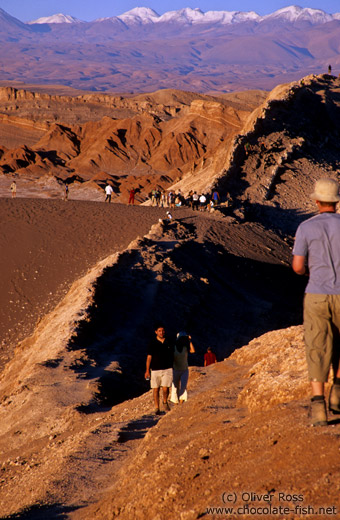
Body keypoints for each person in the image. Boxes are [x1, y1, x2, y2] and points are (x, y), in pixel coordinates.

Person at [292, 178, 340, 426]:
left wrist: (311, 271)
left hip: (317, 294)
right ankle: (339, 394)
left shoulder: (306, 227)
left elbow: (298, 267)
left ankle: (319, 406)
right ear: (336, 201)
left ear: (317, 201)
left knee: (318, 345)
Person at [145, 325, 174, 415]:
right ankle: (157, 408)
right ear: (156, 332)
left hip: (168, 368)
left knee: (165, 388)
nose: (161, 332)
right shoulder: (152, 343)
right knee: (156, 389)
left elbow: (174, 354)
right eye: (159, 331)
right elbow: (149, 357)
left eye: (162, 331)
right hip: (155, 369)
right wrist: (147, 371)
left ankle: (165, 402)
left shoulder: (169, 341)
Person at [171, 332, 195, 404]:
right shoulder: (173, 348)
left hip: (184, 370)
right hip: (175, 370)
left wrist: (189, 341)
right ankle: (175, 402)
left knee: (183, 386)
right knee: (175, 387)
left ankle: (181, 402)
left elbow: (193, 351)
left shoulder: (185, 348)